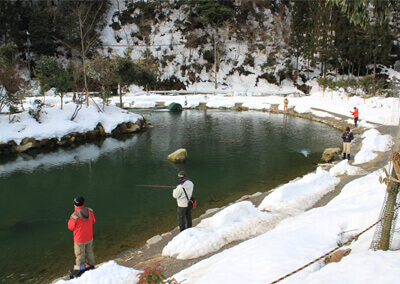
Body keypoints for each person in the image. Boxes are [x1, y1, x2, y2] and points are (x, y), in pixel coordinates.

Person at [68, 196, 96, 278]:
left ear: (75, 205)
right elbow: (93, 221)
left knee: (80, 255)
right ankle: (92, 266)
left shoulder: (74, 216)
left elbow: (70, 227)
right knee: (90, 252)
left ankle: (81, 271)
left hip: (79, 239)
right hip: (89, 237)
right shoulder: (90, 211)